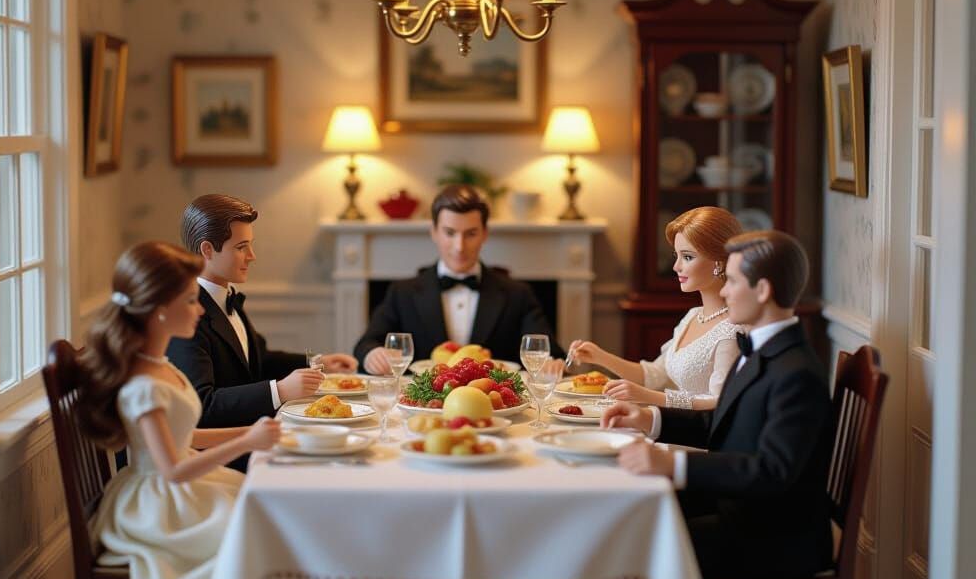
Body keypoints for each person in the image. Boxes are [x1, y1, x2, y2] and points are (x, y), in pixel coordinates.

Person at [566, 230, 834, 579]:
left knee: (656, 528)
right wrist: (649, 419)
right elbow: (719, 426)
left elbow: (774, 473)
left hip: (776, 531)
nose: (725, 292)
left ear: (763, 290)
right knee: (633, 510)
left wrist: (676, 469)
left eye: (731, 282)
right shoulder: (764, 349)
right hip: (747, 507)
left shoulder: (795, 374)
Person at [76, 241, 322, 579]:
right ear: (158, 311)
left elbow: (184, 439)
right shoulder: (142, 387)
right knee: (240, 530)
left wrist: (249, 433)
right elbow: (171, 469)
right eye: (189, 301)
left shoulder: (161, 366)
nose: (199, 309)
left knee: (262, 511)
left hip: (178, 483)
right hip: (154, 503)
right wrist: (246, 440)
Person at [168, 194, 357, 469]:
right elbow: (203, 406)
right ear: (207, 250)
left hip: (250, 439)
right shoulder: (188, 315)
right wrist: (278, 390)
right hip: (220, 456)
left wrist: (317, 362)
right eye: (241, 247)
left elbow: (258, 359)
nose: (252, 256)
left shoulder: (226, 296)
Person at [354, 184, 565, 372]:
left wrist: (552, 364)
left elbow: (551, 353)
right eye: (450, 233)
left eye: (471, 234)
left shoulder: (517, 294)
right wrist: (373, 354)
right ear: (434, 232)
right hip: (421, 406)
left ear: (485, 233)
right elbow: (366, 345)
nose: (459, 246)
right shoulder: (402, 292)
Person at [568, 206, 743, 410]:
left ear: (720, 262)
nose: (676, 266)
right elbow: (655, 375)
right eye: (676, 255)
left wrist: (650, 397)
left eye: (687, 257)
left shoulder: (731, 331)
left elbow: (720, 403)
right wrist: (600, 357)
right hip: (668, 422)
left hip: (697, 437)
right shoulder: (693, 316)